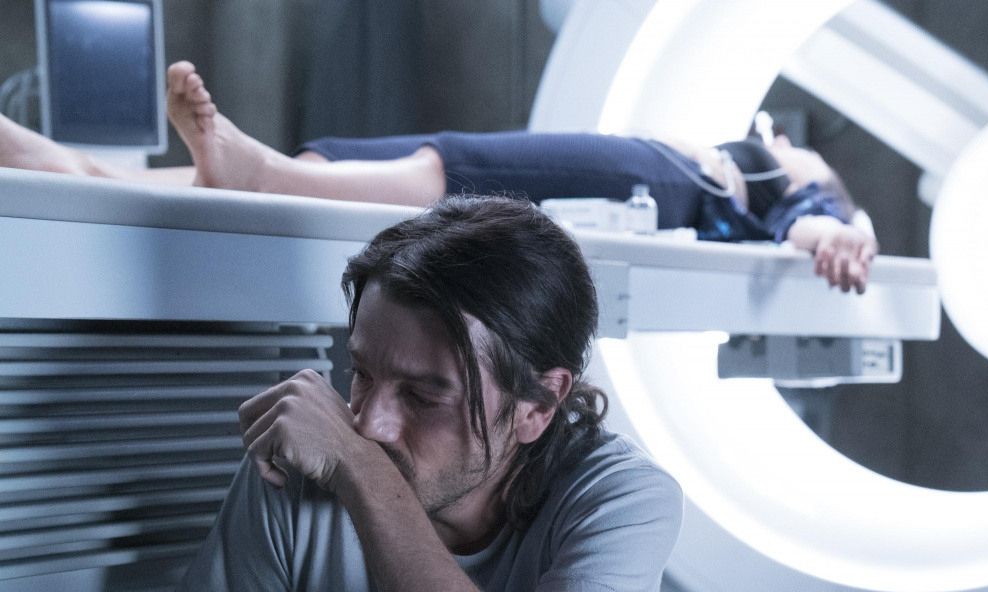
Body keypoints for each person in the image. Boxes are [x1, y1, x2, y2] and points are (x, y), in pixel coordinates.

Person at [159, 193, 685, 592]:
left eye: (422, 396)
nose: (369, 424)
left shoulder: (621, 497)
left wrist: (364, 477)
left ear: (538, 404)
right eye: (361, 373)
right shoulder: (297, 470)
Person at [0, 62, 876, 293]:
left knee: (451, 165)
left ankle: (256, 173)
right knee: (347, 166)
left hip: (661, 178)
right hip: (662, 171)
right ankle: (71, 169)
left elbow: (810, 219)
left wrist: (833, 233)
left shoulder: (812, 182)